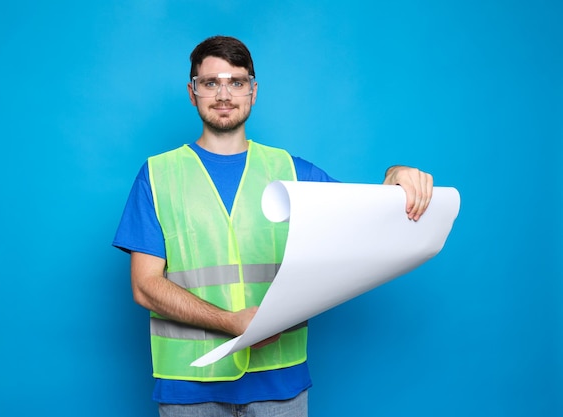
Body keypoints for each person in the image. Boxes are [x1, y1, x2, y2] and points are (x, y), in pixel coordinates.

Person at [113, 35, 433, 417]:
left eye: (237, 82)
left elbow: (367, 219)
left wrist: (396, 175)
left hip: (279, 384)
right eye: (210, 83)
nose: (224, 94)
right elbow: (145, 286)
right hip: (189, 387)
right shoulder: (157, 175)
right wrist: (230, 322)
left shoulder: (293, 172)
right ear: (192, 91)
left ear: (253, 90)